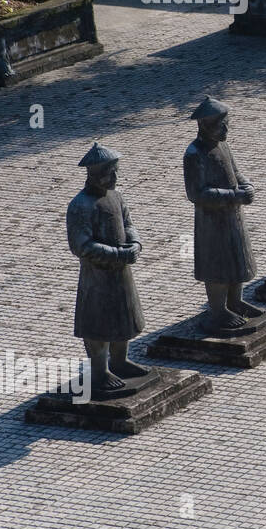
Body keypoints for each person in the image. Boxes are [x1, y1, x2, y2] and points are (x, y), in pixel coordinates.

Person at [67, 143, 153, 398]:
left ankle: (119, 361)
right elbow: (81, 245)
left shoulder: (116, 197)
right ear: (93, 175)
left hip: (121, 271)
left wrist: (135, 243)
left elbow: (128, 223)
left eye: (116, 172)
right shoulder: (80, 205)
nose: (115, 178)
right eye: (110, 173)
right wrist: (117, 254)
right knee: (98, 323)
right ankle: (99, 371)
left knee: (123, 317)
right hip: (97, 277)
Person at [184, 96, 263, 330]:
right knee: (217, 263)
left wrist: (246, 185)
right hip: (211, 220)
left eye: (227, 123)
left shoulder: (222, 145)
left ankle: (235, 301)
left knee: (236, 258)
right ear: (204, 126)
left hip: (232, 215)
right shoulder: (194, 154)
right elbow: (197, 193)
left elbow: (235, 173)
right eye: (221, 124)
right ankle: (218, 309)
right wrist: (233, 196)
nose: (226, 129)